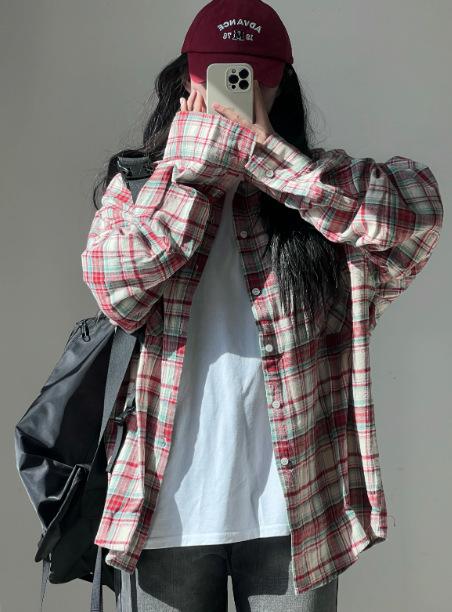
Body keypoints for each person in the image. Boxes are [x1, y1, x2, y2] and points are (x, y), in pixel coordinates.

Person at [81, 1, 444, 610]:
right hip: (164, 512)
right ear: (188, 79)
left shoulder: (321, 195)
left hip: (294, 515)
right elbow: (117, 288)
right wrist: (192, 175)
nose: (238, 90)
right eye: (221, 73)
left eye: (253, 77)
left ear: (281, 85)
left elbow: (417, 215)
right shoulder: (142, 188)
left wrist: (268, 156)